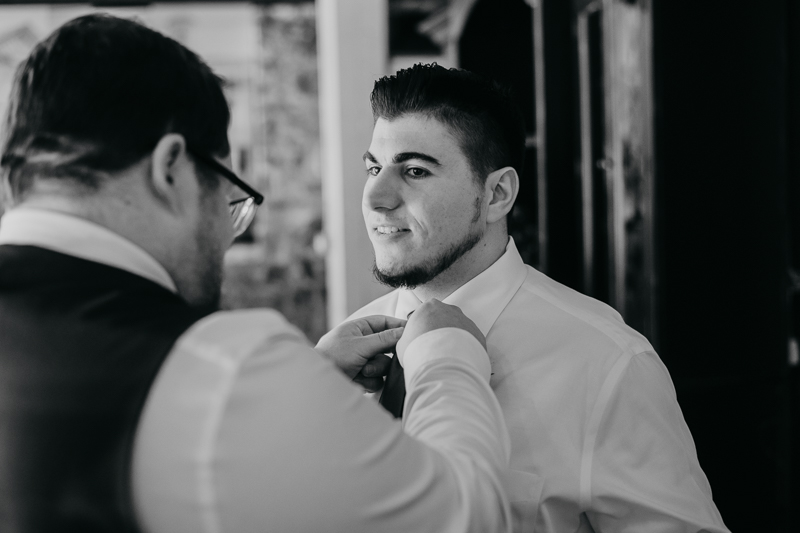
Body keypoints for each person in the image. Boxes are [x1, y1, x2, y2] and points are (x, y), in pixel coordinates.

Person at [0, 16, 513, 533]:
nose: (225, 237)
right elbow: (469, 517)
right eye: (225, 197)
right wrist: (446, 355)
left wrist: (299, 401)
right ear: (171, 169)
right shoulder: (219, 370)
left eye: (416, 169)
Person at [349, 63, 730, 532]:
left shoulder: (605, 361)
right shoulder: (341, 361)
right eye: (373, 167)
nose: (376, 197)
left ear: (497, 194)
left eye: (414, 170)